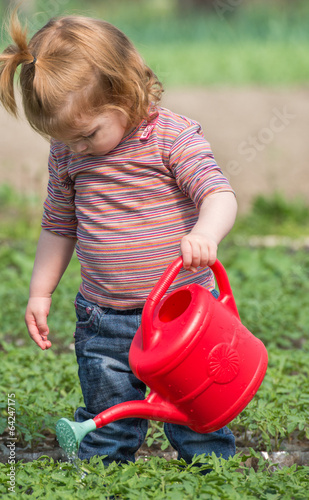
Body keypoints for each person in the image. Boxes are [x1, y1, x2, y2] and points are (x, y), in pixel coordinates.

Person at [0, 12, 237, 466]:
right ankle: (104, 479)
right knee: (108, 420)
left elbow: (218, 193)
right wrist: (39, 290)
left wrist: (205, 232)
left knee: (196, 415)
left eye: (87, 134)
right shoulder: (68, 155)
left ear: (124, 92)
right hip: (104, 318)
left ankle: (212, 477)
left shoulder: (169, 136)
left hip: (181, 314)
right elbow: (58, 225)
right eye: (64, 139)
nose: (77, 149)